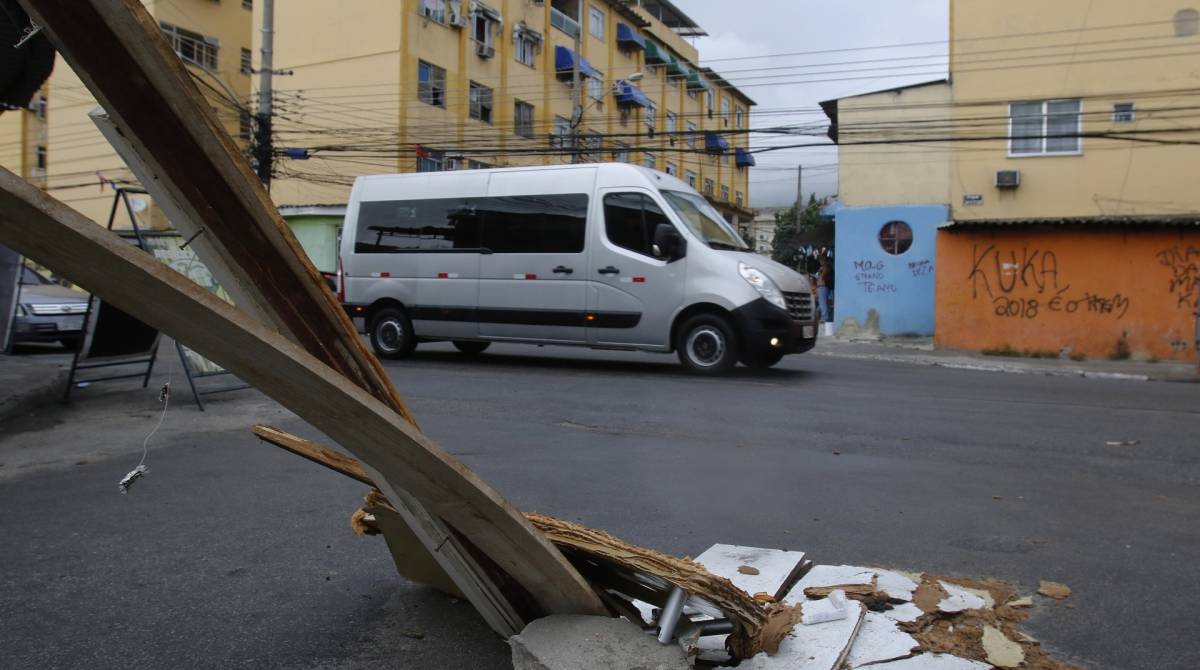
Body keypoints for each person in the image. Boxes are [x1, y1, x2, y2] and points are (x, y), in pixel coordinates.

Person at [816, 255, 832, 323]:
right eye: (820, 260)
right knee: (821, 302)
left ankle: (824, 317)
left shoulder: (826, 267)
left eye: (822, 260)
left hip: (823, 286)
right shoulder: (822, 267)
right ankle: (824, 316)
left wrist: (820, 272)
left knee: (823, 303)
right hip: (821, 286)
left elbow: (822, 276)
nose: (820, 262)